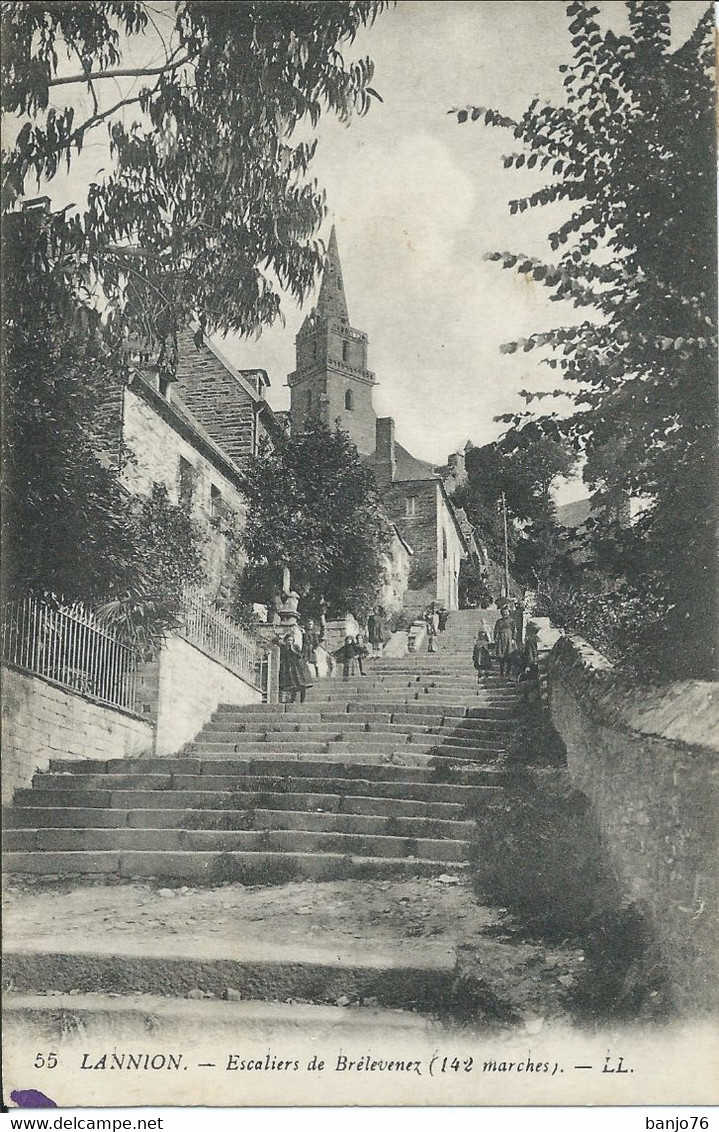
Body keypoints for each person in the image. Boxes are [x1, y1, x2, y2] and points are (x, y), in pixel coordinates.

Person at [278, 631, 313, 704]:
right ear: (286, 641)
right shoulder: (284, 648)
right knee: (293, 684)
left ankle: (302, 700)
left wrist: (293, 651)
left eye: (291, 640)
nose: (289, 642)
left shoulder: (296, 646)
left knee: (302, 684)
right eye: (288, 640)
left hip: (298, 668)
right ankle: (292, 699)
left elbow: (300, 655)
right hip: (289, 668)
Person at [493, 605, 517, 677]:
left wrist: (513, 639)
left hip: (509, 640)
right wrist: (496, 638)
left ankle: (508, 672)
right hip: (501, 640)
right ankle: (501, 672)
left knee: (509, 656)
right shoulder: (499, 621)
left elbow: (515, 630)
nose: (505, 614)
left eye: (506, 612)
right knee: (501, 657)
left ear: (509, 612)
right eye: (504, 612)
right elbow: (496, 630)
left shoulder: (512, 621)